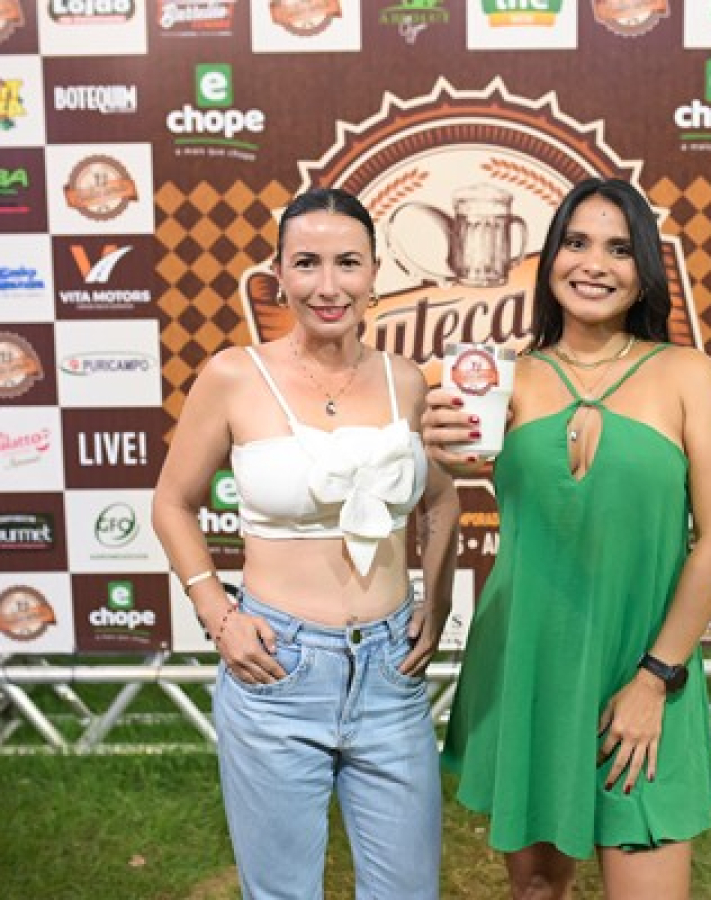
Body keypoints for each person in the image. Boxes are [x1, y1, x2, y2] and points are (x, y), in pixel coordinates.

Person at [423, 178, 711, 899]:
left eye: (619, 249)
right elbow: (419, 460)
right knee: (537, 890)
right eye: (576, 242)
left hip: (645, 669)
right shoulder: (503, 377)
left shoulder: (688, 375)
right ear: (550, 261)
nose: (594, 263)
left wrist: (654, 680)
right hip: (529, 663)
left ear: (644, 272)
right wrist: (434, 449)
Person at [152, 187, 459, 900]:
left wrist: (437, 603)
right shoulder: (234, 375)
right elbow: (172, 503)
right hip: (277, 671)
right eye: (307, 263)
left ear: (375, 273)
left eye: (347, 263)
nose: (328, 286)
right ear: (279, 275)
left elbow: (442, 499)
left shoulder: (407, 381)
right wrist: (220, 616)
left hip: (390, 674)